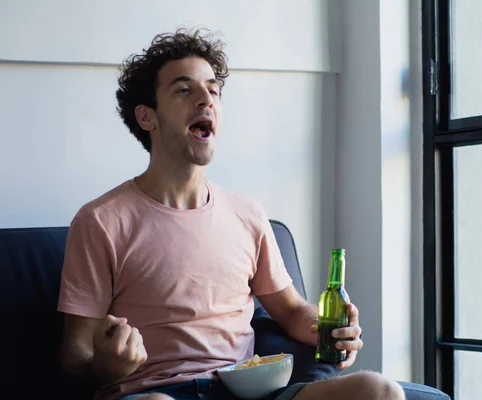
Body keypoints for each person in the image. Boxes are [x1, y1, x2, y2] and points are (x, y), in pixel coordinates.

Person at [57, 28, 405, 400]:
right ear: (147, 117)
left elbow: (289, 311)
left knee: (379, 390)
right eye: (184, 89)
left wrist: (328, 329)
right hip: (160, 392)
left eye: (213, 89)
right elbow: (75, 353)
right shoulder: (101, 221)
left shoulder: (247, 214)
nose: (206, 99)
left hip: (250, 391)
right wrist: (106, 366)